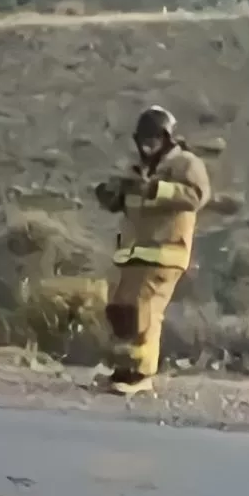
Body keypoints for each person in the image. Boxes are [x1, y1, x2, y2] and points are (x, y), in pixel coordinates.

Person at [91, 105, 210, 395]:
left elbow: (197, 195)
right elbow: (123, 201)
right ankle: (123, 369)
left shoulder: (186, 163)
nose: (147, 146)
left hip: (165, 252)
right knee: (121, 311)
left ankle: (141, 374)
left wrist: (155, 189)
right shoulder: (138, 169)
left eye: (153, 139)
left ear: (167, 138)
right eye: (143, 140)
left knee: (145, 310)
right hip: (134, 254)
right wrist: (112, 194)